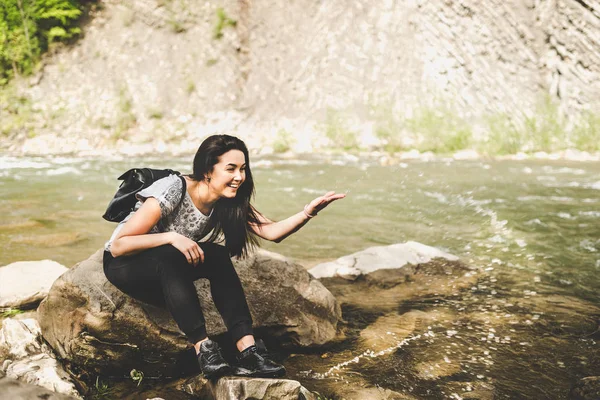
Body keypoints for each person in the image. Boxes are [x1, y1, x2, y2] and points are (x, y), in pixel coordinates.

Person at [102, 134, 345, 379]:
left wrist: (308, 213)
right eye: (230, 169)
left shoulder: (227, 200)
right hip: (126, 266)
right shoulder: (174, 188)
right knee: (169, 254)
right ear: (208, 170)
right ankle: (203, 350)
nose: (239, 177)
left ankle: (248, 351)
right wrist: (172, 237)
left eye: (243, 169)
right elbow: (119, 246)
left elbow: (271, 232)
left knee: (216, 255)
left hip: (170, 270)